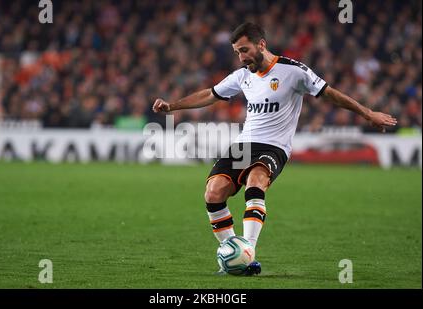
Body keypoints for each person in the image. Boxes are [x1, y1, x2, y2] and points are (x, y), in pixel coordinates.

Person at [152, 22, 397, 275]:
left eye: (245, 50)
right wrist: (172, 107)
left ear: (261, 45)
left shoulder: (294, 71)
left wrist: (368, 113)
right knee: (213, 193)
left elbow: (330, 94)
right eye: (237, 52)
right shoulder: (243, 75)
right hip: (245, 144)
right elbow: (209, 94)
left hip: (274, 146)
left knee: (256, 181)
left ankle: (248, 254)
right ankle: (233, 255)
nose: (241, 56)